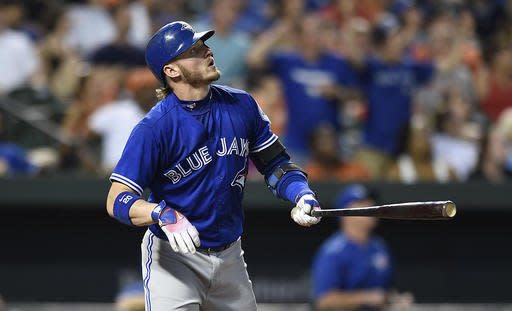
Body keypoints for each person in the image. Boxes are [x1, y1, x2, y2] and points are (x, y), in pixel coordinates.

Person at [105, 21, 322, 311]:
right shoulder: (154, 128)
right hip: (174, 257)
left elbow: (277, 166)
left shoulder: (242, 105)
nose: (207, 51)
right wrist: (160, 213)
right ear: (171, 71)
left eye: (204, 45)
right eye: (195, 50)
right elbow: (117, 200)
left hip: (230, 255)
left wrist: (301, 193)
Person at [312, 184, 413, 311]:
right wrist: (366, 298)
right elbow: (324, 300)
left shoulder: (379, 247)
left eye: (370, 201)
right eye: (362, 202)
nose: (371, 205)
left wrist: (395, 299)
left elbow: (383, 292)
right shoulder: (333, 251)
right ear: (345, 211)